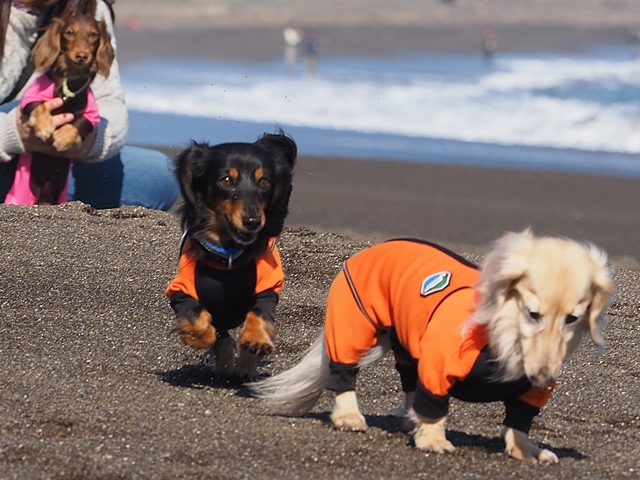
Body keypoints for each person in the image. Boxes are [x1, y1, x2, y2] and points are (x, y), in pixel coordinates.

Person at [0, 0, 179, 210]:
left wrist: (86, 137)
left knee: (160, 176)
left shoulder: (90, 8)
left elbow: (111, 107)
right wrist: (12, 133)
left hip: (59, 157)